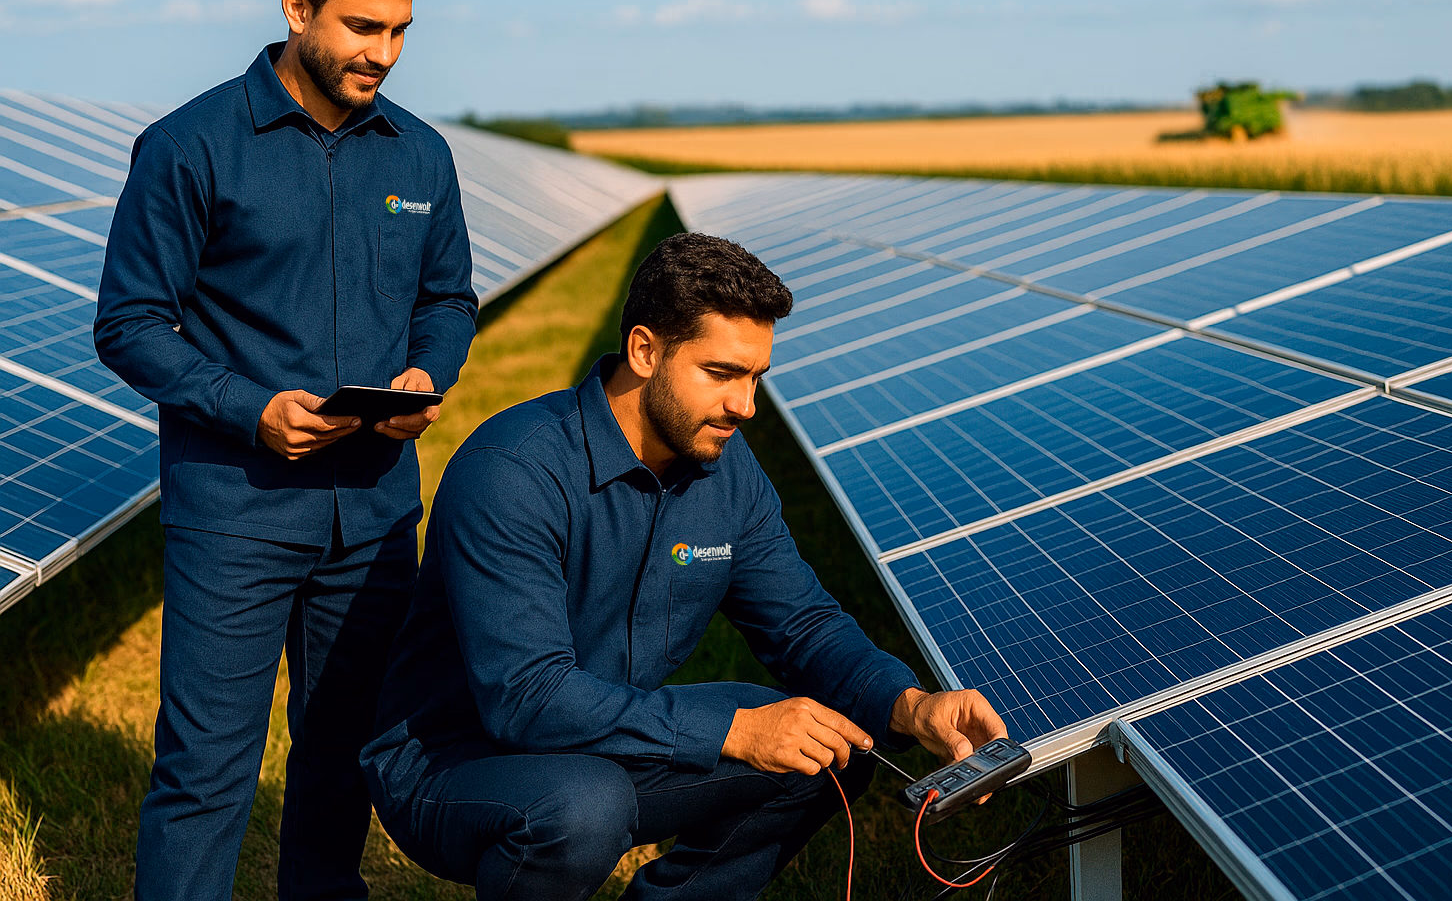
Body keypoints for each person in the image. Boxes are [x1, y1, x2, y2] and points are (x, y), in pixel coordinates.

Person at [361, 233, 1006, 900]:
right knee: (586, 806)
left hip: (607, 742)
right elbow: (527, 699)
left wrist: (913, 706)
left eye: (755, 377)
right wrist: (734, 731)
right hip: (455, 763)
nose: (746, 406)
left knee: (823, 748)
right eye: (721, 374)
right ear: (645, 351)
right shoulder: (513, 473)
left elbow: (803, 625)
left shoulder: (725, 469)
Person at [93, 0, 478, 901]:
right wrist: (249, 409)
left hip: (379, 512)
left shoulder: (421, 156)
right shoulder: (189, 146)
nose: (383, 54)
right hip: (238, 512)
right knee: (206, 772)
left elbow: (447, 300)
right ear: (296, 5)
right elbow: (130, 324)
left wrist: (426, 373)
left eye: (399, 31)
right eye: (361, 27)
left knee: (343, 749)